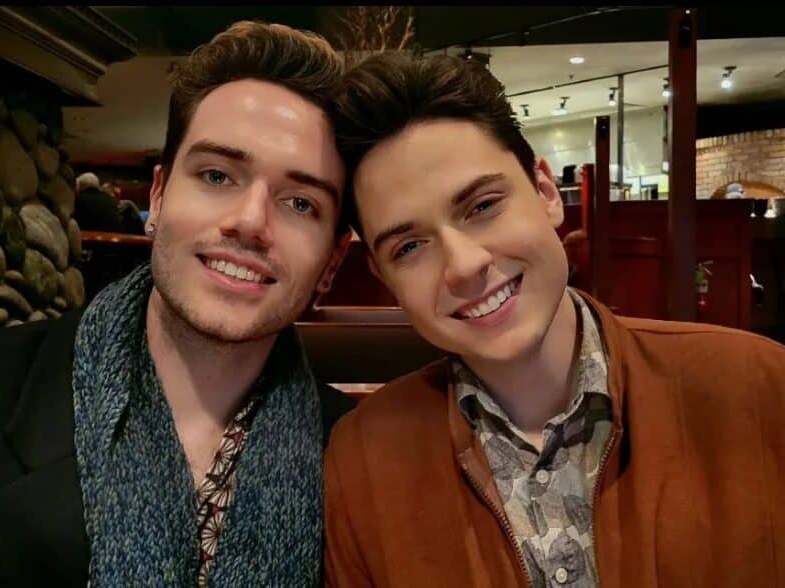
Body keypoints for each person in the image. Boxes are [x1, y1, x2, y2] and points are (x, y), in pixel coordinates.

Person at [324, 52, 785, 587]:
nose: (464, 265)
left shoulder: (755, 387)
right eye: (409, 246)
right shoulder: (363, 463)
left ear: (544, 191)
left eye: (482, 207)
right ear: (384, 277)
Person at [0, 20, 356, 586]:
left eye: (301, 203)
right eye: (216, 175)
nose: (251, 222)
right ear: (158, 196)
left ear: (332, 260)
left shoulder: (360, 460)